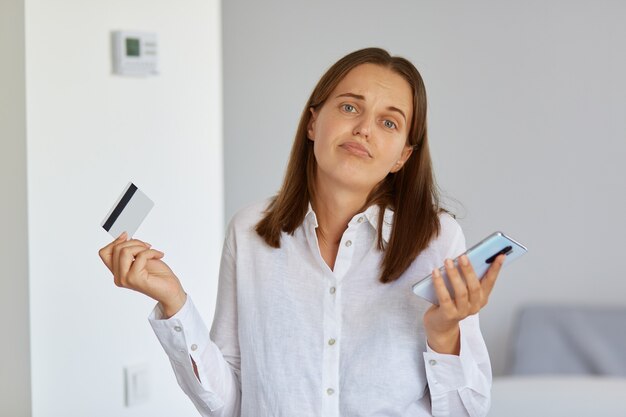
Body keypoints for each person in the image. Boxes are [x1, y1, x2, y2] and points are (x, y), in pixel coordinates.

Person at [99, 47, 504, 417]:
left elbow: (466, 412)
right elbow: (231, 402)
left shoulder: (437, 239)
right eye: (349, 107)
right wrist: (174, 304)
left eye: (388, 122)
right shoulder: (250, 231)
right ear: (313, 122)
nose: (365, 129)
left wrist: (444, 333)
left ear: (403, 156)